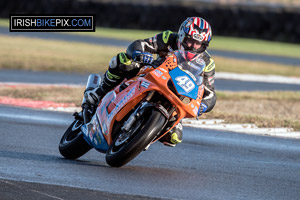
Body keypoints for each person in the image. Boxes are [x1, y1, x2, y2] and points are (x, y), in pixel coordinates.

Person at [84, 17, 217, 147]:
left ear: (204, 45)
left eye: (198, 44)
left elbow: (210, 94)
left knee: (174, 137)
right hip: (152, 74)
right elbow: (140, 44)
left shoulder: (208, 63)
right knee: (123, 61)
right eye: (189, 41)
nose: (193, 46)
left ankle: (140, 137)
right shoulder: (169, 38)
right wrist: (139, 53)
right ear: (182, 35)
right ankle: (99, 92)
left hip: (176, 95)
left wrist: (203, 106)